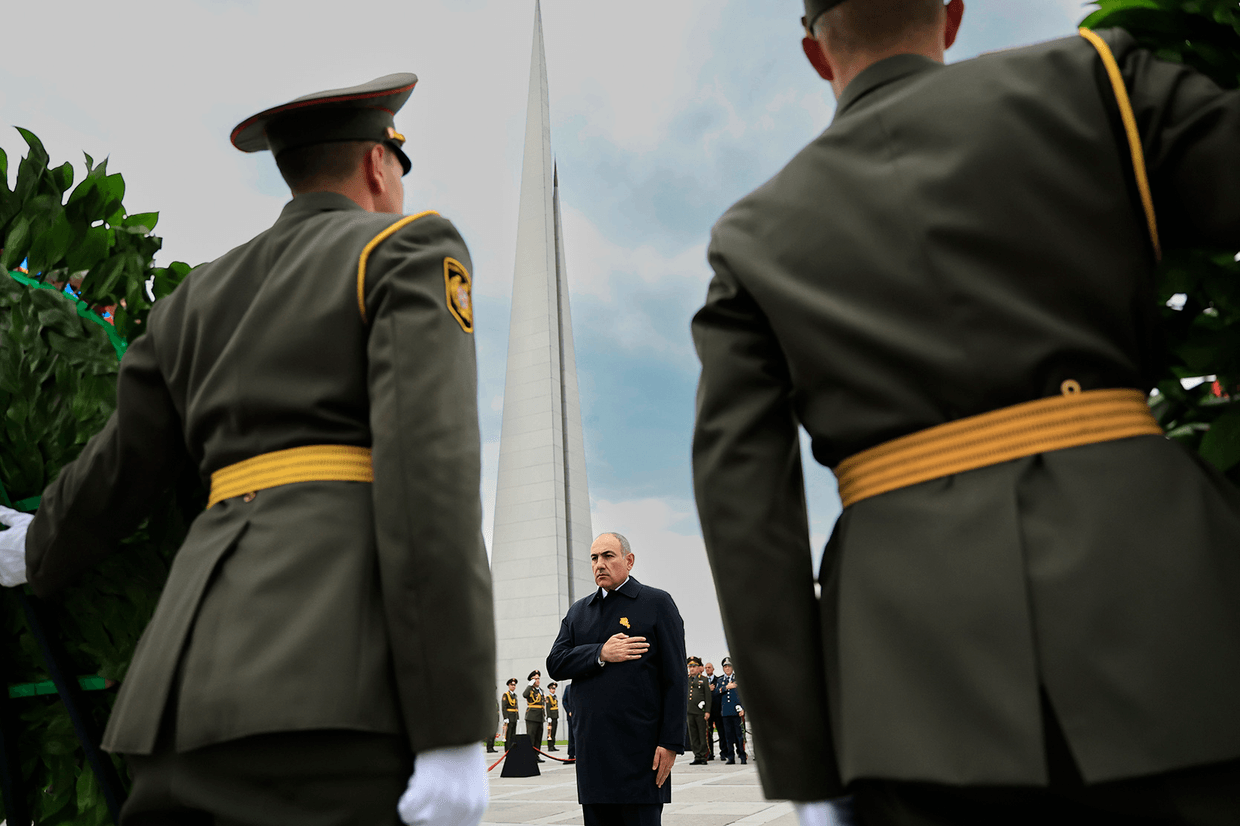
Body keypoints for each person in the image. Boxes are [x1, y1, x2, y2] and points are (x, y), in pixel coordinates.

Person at [692, 0, 1240, 823]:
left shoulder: (751, 237)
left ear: (815, 53)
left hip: (911, 688)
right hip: (1172, 622)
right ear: (950, 14)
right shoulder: (1098, 82)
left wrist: (810, 765)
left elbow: (744, 512)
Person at [0, 74, 497, 826]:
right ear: (376, 164)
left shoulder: (196, 297)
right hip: (335, 687)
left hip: (178, 694)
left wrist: (34, 548)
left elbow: (118, 470)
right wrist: (452, 727)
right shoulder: (408, 249)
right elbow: (429, 481)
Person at [547, 532, 688, 826]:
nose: (600, 564)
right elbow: (556, 663)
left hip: (641, 753)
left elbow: (675, 678)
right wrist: (600, 652)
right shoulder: (578, 612)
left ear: (629, 560)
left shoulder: (656, 603)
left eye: (608, 556)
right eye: (595, 558)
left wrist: (671, 742)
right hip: (593, 753)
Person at [716, 658, 746, 766]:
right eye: (725, 666)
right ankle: (731, 757)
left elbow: (744, 695)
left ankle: (742, 756)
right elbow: (716, 691)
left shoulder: (738, 678)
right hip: (726, 712)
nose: (727, 668)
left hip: (737, 712)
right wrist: (726, 687)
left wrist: (743, 708)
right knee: (728, 736)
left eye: (729, 666)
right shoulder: (720, 680)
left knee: (739, 735)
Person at [685, 657, 711, 765]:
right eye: (690, 667)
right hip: (689, 711)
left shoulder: (703, 680)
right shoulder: (686, 679)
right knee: (693, 736)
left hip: (700, 712)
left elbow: (708, 697)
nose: (692, 669)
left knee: (701, 735)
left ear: (698, 668)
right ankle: (697, 756)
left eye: (694, 667)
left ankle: (703, 756)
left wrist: (707, 711)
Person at [704, 661, 725, 761]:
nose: (707, 669)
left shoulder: (719, 680)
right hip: (708, 711)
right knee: (709, 734)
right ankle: (710, 753)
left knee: (721, 732)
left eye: (709, 667)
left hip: (717, 710)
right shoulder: (703, 681)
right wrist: (708, 689)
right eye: (706, 668)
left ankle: (724, 752)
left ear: (713, 669)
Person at [523, 670, 546, 761]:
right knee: (531, 737)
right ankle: (530, 756)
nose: (537, 680)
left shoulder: (540, 690)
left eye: (538, 678)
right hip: (532, 716)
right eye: (535, 679)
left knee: (538, 737)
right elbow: (524, 695)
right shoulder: (530, 690)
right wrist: (529, 685)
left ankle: (536, 755)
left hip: (540, 716)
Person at [502, 678, 521, 751]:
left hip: (514, 716)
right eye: (511, 685)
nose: (513, 686)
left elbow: (516, 707)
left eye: (514, 685)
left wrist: (518, 717)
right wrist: (505, 717)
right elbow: (504, 707)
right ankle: (507, 749)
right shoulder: (506, 695)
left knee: (513, 734)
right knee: (508, 734)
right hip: (509, 716)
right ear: (509, 686)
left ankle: (512, 749)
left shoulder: (515, 695)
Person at [561, 681, 577, 762]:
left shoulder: (580, 686)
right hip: (571, 716)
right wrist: (569, 711)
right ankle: (571, 754)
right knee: (571, 735)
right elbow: (564, 701)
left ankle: (579, 753)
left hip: (579, 715)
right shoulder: (568, 687)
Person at [546, 681, 561, 751]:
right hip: (551, 717)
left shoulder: (555, 697)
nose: (553, 690)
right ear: (549, 689)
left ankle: (553, 745)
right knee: (550, 732)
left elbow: (556, 707)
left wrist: (557, 716)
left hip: (555, 716)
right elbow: (548, 707)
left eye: (554, 689)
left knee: (554, 731)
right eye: (552, 689)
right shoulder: (548, 697)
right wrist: (549, 717)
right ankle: (550, 746)